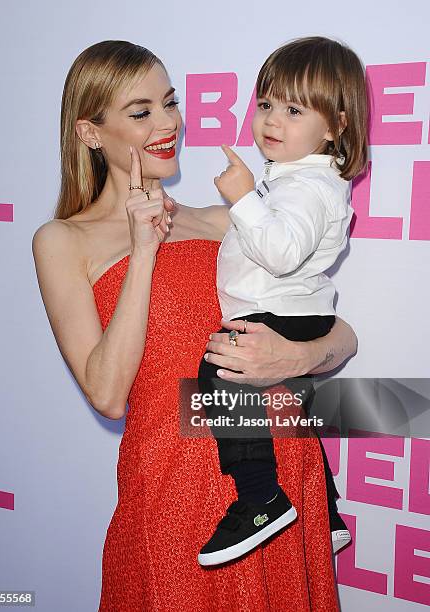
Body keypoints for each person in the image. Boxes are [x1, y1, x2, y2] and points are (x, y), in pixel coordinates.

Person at [32, 40, 358, 611]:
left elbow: (339, 334)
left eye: (170, 102)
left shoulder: (227, 219)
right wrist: (141, 249)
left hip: (275, 471)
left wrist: (297, 359)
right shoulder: (63, 241)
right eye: (141, 112)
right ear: (90, 133)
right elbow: (107, 394)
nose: (169, 124)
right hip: (174, 488)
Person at [197, 36, 368, 567]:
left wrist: (243, 197)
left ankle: (259, 498)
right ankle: (330, 512)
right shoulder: (297, 178)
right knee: (292, 411)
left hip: (282, 313)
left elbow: (280, 252)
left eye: (294, 110)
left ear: (336, 124)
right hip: (292, 312)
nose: (272, 120)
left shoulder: (308, 187)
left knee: (217, 374)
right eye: (266, 104)